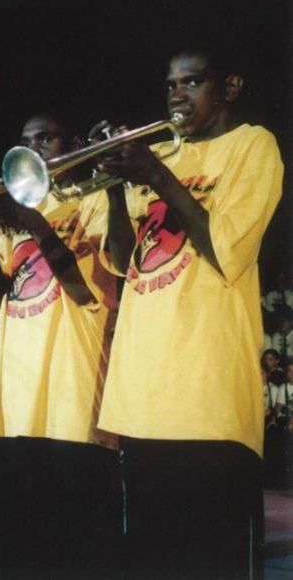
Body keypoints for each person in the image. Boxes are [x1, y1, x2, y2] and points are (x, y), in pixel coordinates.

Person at [96, 46, 283, 578]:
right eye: (171, 85)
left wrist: (155, 174)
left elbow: (227, 250)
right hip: (143, 399)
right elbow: (123, 261)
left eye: (192, 82)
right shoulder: (165, 158)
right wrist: (114, 188)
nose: (177, 94)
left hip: (209, 403)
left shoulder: (253, 145)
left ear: (230, 87)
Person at [0, 114, 121, 577]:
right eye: (25, 141)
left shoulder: (96, 198)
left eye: (45, 138)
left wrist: (34, 221)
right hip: (15, 403)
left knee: (77, 550)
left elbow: (85, 292)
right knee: (18, 551)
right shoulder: (13, 219)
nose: (34, 148)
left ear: (74, 143)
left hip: (72, 400)